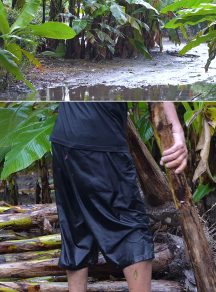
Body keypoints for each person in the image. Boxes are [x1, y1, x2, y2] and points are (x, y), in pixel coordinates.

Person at [49, 102, 187, 292]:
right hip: (98, 141)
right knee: (132, 227)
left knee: (76, 229)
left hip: (63, 138)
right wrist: (177, 131)